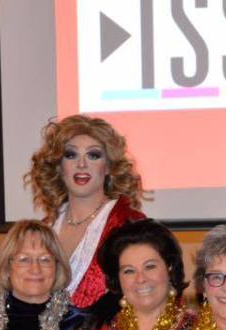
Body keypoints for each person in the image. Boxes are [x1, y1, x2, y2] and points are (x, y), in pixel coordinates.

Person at [25, 114, 147, 308]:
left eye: (93, 155)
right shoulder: (44, 229)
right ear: (59, 166)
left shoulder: (130, 225)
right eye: (70, 155)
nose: (81, 164)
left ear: (108, 167)